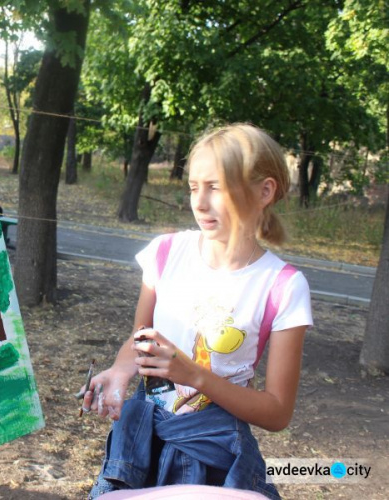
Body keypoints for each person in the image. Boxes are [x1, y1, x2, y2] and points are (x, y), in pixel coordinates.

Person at [82, 124, 312, 499]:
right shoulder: (166, 252)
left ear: (264, 190)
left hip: (214, 456)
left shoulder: (282, 286)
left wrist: (197, 376)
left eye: (216, 186)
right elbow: (141, 337)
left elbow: (277, 413)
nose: (199, 203)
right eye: (193, 187)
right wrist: (120, 372)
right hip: (140, 447)